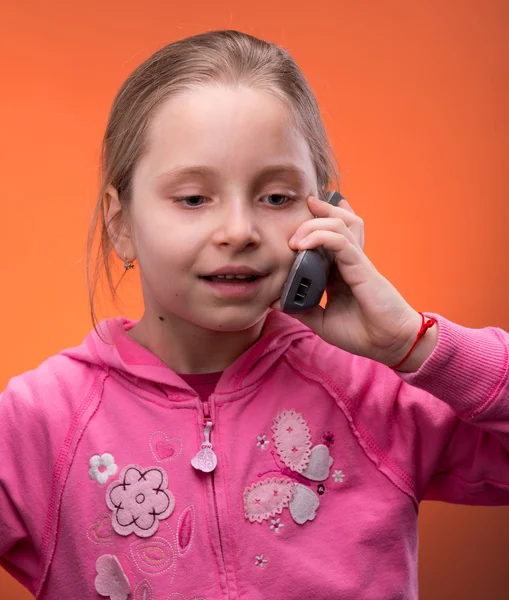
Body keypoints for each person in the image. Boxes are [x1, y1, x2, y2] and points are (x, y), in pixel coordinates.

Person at [0, 29, 507, 600]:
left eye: (275, 198)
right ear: (121, 224)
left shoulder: (377, 392)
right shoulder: (39, 423)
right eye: (194, 198)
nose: (239, 231)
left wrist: (413, 346)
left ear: (326, 215)